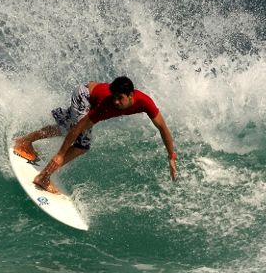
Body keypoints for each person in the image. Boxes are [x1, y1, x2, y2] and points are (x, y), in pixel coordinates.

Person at [14, 76, 177, 194]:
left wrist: (171, 156)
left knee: (65, 129)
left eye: (120, 98)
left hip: (90, 96)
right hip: (84, 96)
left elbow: (162, 127)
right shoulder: (107, 106)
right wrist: (60, 154)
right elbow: (77, 129)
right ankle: (43, 177)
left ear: (131, 95)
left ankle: (25, 141)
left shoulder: (144, 102)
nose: (116, 102)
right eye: (114, 98)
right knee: (81, 145)